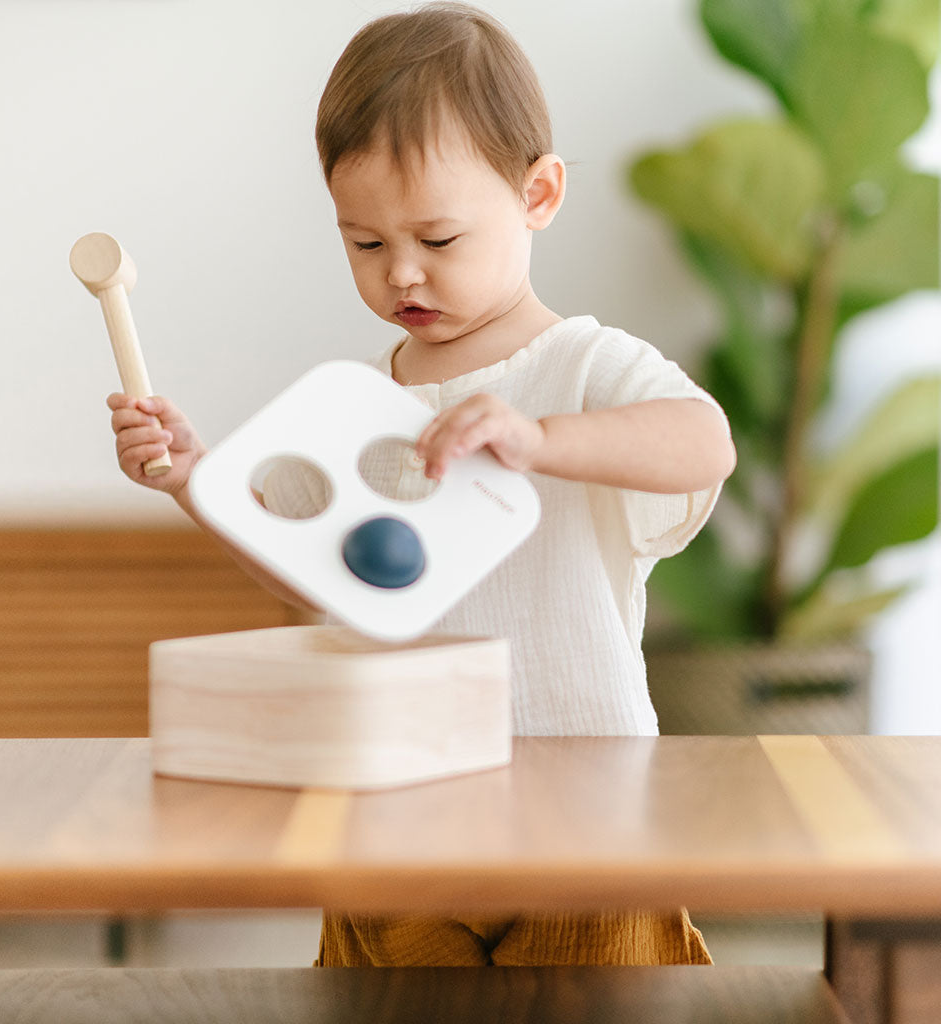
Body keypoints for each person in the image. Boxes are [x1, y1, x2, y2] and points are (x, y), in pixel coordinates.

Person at [108, 1, 735, 967]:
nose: (402, 272)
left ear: (539, 195)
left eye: (438, 241)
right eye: (364, 243)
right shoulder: (359, 402)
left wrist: (539, 439)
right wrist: (198, 482)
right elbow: (304, 573)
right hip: (396, 810)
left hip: (588, 820)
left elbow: (703, 445)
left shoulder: (586, 367)